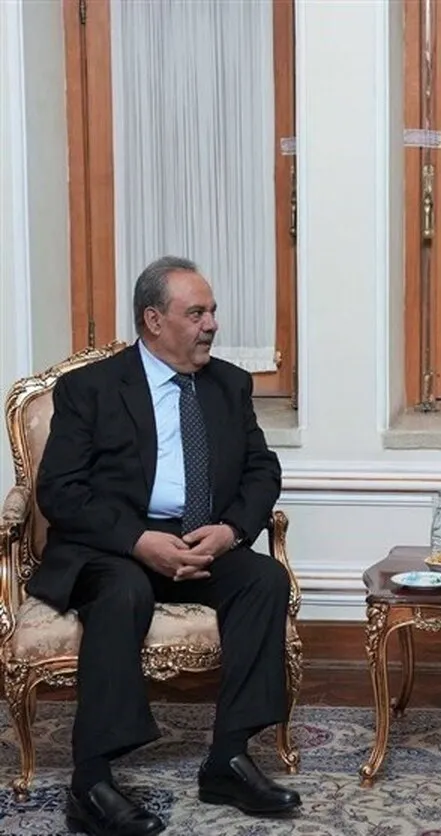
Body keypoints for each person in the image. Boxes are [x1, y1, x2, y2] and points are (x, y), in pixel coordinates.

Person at [30, 256, 301, 836]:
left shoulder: (229, 384)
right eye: (196, 313)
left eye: (212, 312)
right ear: (154, 320)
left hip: (201, 541)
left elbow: (262, 470)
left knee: (264, 579)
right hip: (112, 549)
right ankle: (91, 783)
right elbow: (60, 491)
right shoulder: (91, 389)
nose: (212, 325)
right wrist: (137, 540)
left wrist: (230, 531)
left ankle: (228, 759)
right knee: (122, 590)